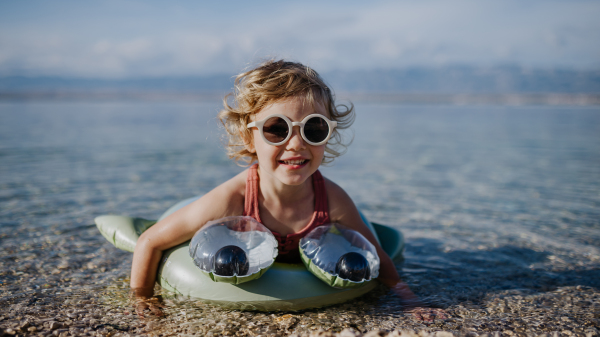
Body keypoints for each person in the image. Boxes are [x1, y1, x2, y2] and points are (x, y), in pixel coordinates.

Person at [130, 60, 447, 321]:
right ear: (248, 136)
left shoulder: (332, 200)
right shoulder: (232, 199)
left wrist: (409, 299)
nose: (296, 144)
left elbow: (375, 254)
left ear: (327, 134)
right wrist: (141, 298)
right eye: (277, 129)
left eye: (314, 128)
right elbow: (151, 241)